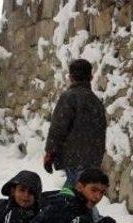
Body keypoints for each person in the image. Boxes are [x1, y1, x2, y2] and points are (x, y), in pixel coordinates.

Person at [43, 59, 107, 188]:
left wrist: (50, 153)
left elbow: (58, 129)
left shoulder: (69, 97)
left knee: (75, 198)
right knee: (78, 195)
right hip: (93, 160)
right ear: (91, 77)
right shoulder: (96, 102)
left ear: (71, 77)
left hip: (73, 159)